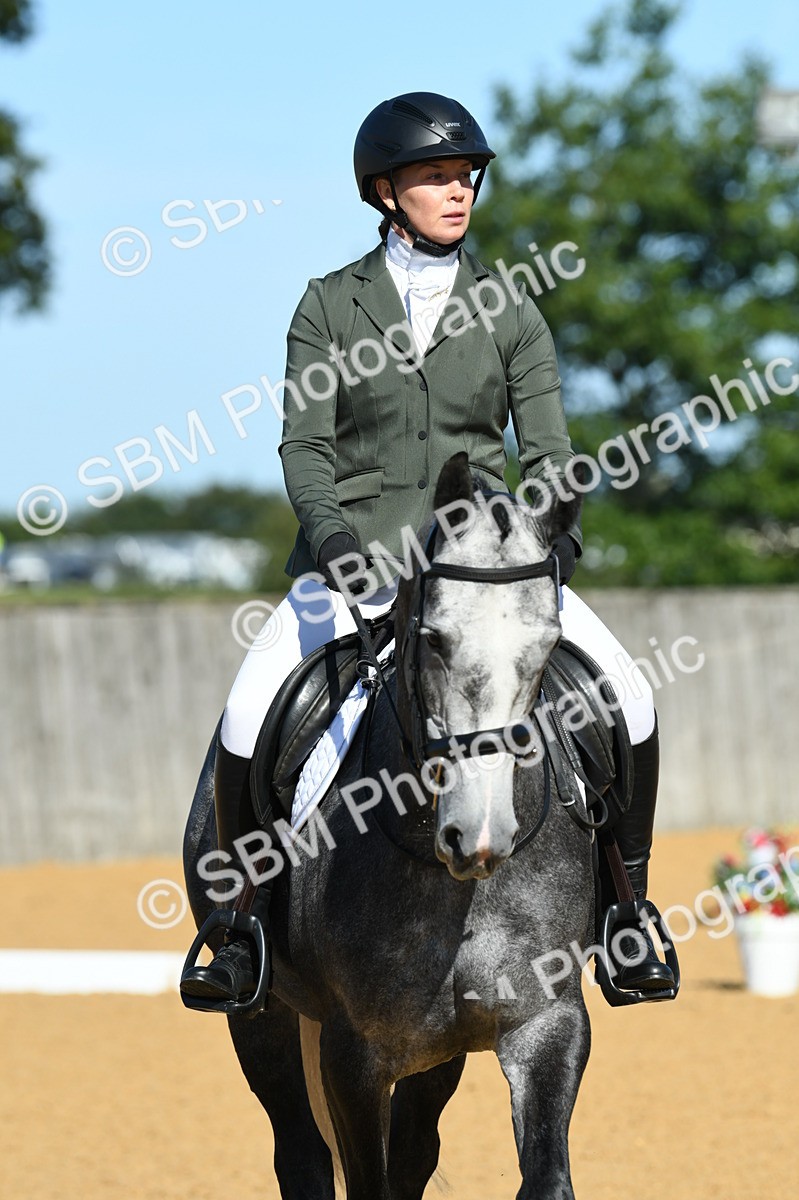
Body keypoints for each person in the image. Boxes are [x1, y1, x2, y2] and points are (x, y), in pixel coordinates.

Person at [180, 91, 675, 1009]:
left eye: (465, 177)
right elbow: (305, 446)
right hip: (355, 562)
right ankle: (240, 924)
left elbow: (552, 448)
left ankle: (626, 911)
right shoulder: (329, 304)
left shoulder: (509, 308)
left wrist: (549, 532)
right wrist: (331, 542)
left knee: (630, 698)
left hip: (488, 570)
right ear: (383, 190)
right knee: (251, 718)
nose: (457, 192)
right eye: (436, 177)